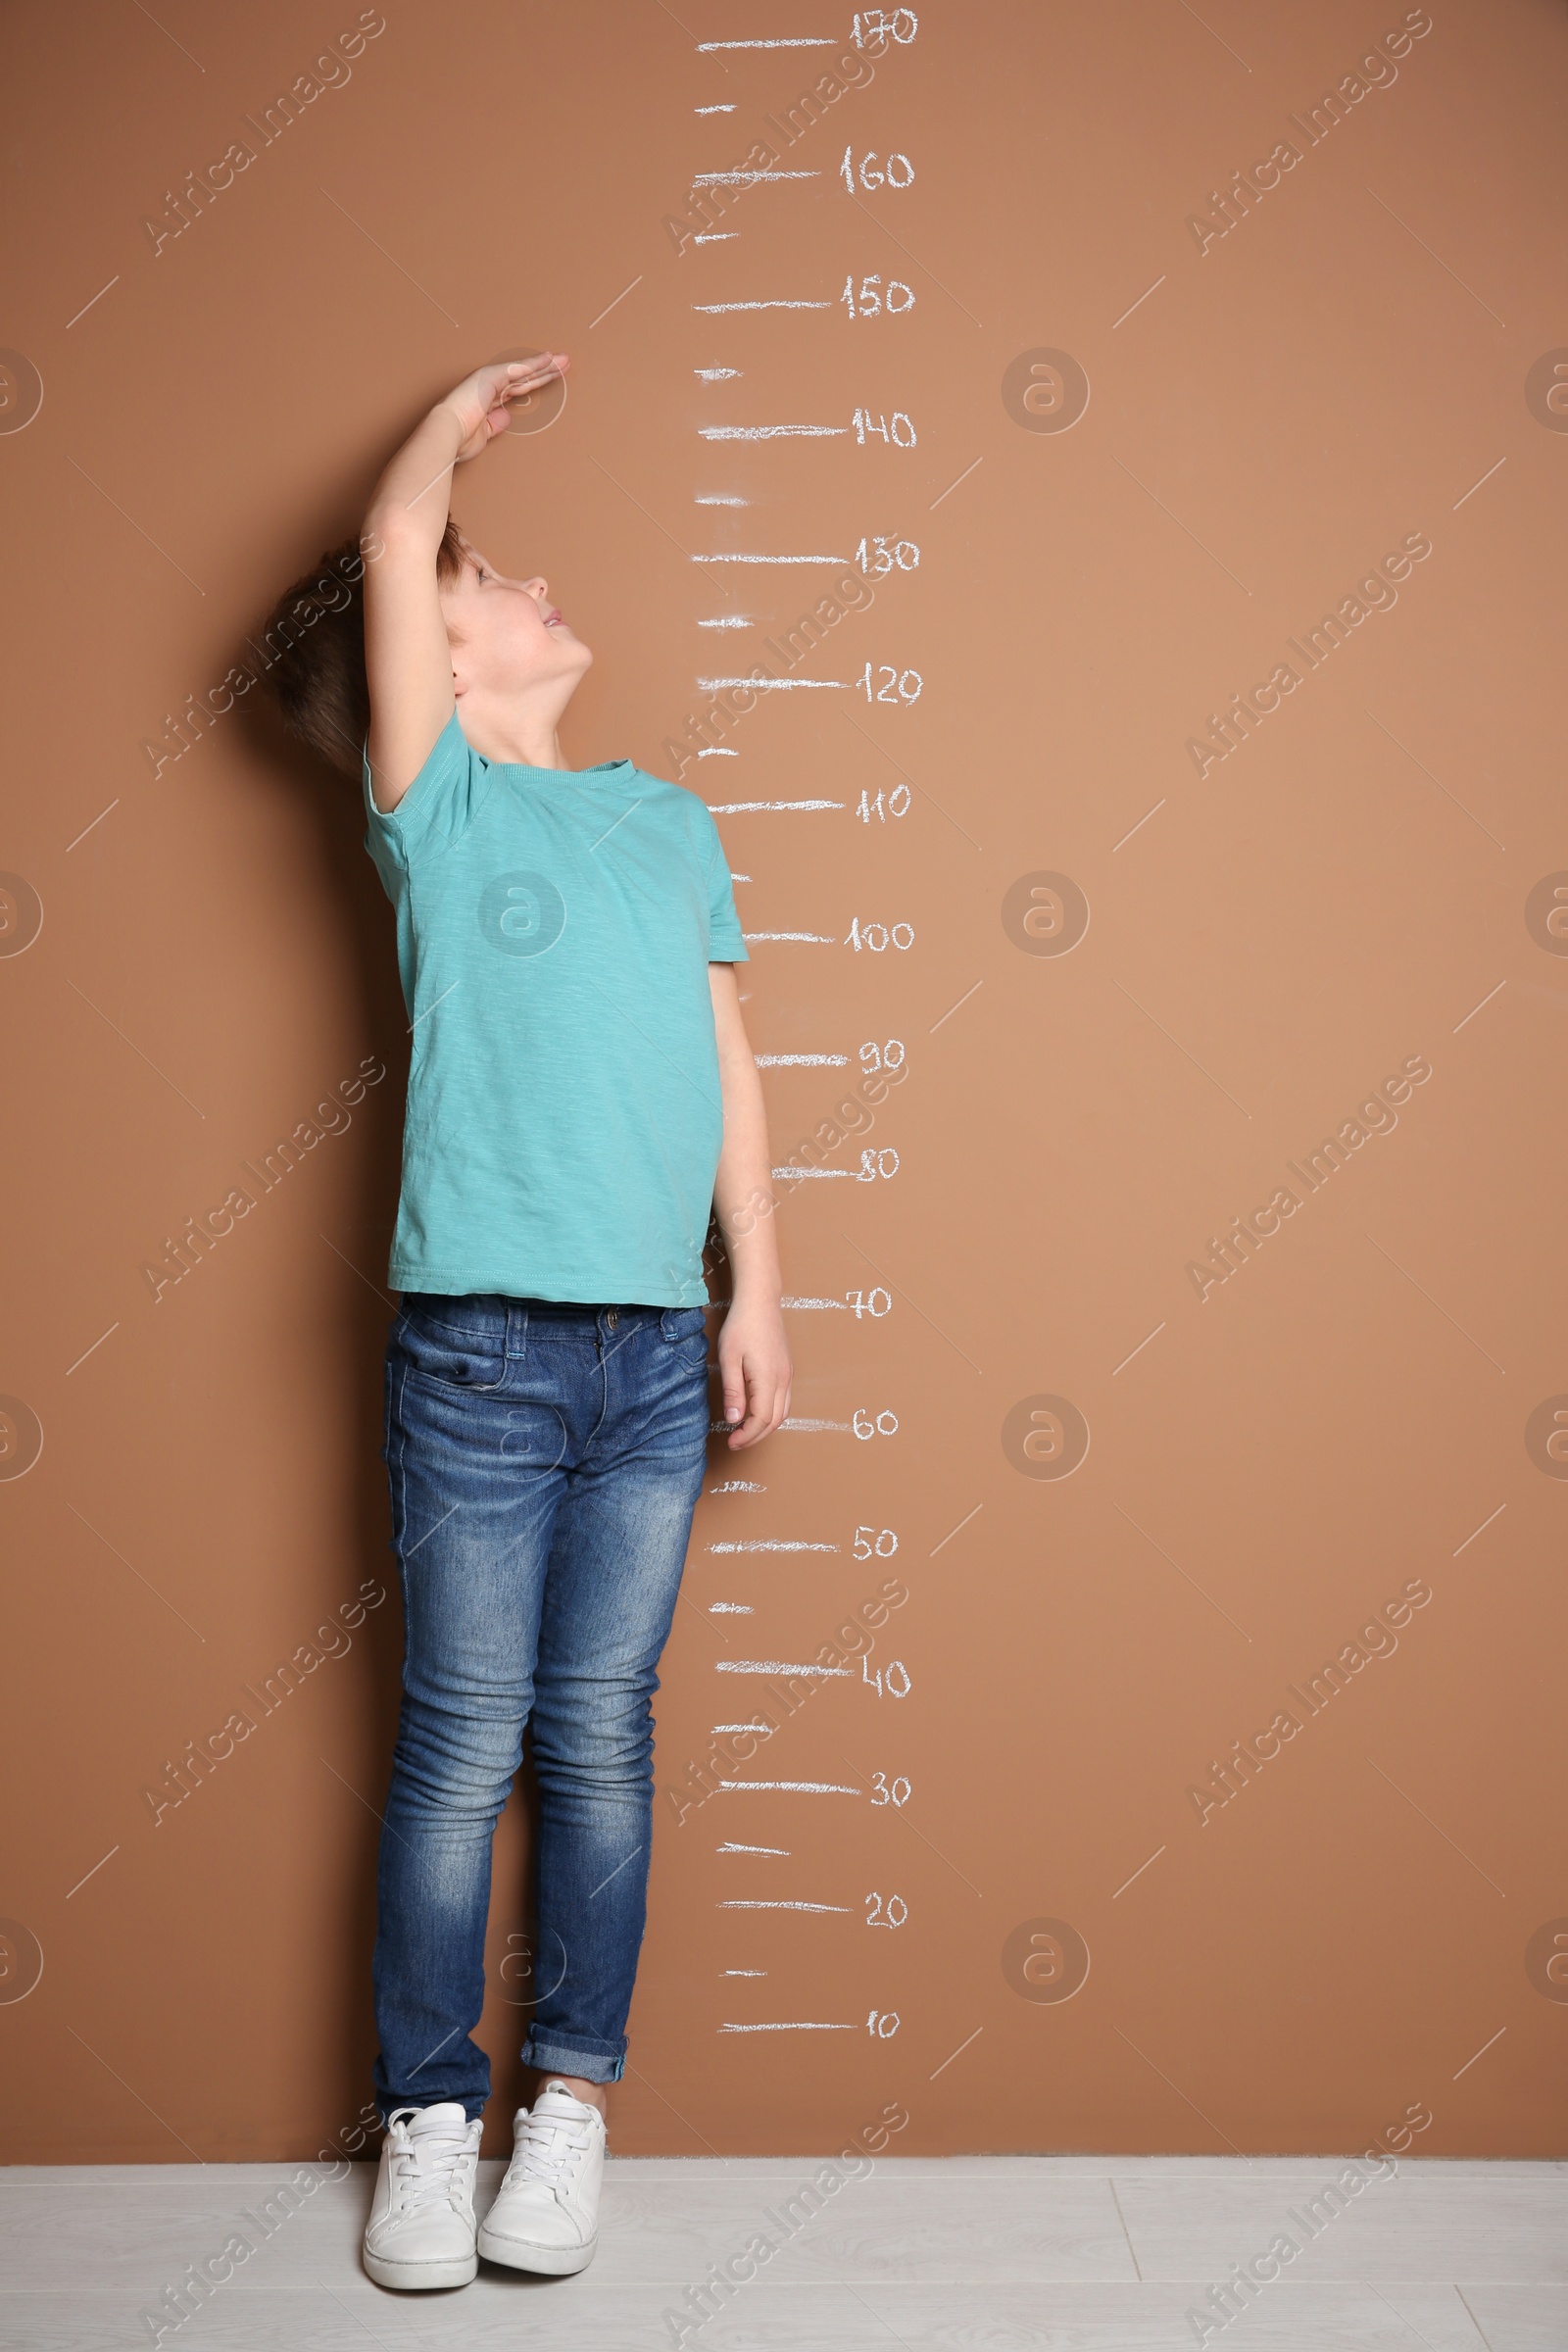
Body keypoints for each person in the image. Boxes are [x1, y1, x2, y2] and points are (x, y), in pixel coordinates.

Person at [261, 354, 791, 2288]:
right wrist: (452, 432)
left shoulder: (665, 819)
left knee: (599, 1737)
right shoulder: (439, 809)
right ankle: (422, 2117)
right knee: (462, 1738)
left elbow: (727, 1064)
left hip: (651, 1352)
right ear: (439, 659)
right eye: (498, 578)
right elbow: (393, 532)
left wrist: (762, 1290)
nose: (532, 581)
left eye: (498, 567)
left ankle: (563, 2109)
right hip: (478, 1348)